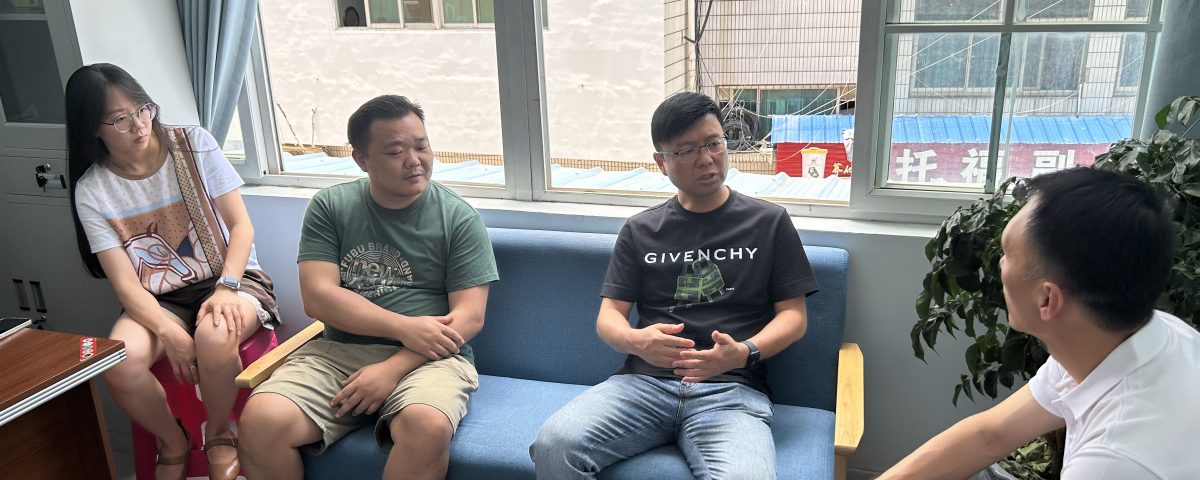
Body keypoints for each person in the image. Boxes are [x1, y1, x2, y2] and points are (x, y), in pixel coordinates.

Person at [530, 91, 819, 479]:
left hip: (730, 392)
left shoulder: (769, 222)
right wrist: (637, 341)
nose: (706, 158)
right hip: (643, 385)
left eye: (714, 143)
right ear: (661, 163)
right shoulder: (641, 229)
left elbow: (794, 317)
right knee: (554, 444)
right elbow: (609, 316)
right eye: (686, 151)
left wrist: (743, 352)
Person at [239, 95, 498, 480]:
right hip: (338, 353)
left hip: (429, 358)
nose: (414, 160)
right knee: (261, 421)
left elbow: (469, 317)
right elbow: (318, 297)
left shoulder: (459, 218)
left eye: (422, 146)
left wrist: (392, 367)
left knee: (426, 425)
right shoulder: (331, 206)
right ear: (361, 159)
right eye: (395, 151)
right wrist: (403, 326)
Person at [881, 168, 1200, 479]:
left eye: (1007, 253)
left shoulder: (1114, 461)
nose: (999, 264)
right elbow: (989, 436)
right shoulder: (1134, 337)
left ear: (1047, 299)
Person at [66, 63, 282, 480]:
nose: (138, 125)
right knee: (117, 362)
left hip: (231, 279)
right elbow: (126, 285)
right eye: (120, 119)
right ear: (92, 128)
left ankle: (218, 434)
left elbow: (241, 227)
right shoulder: (93, 190)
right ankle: (174, 441)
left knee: (214, 334)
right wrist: (167, 332)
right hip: (158, 299)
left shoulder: (192, 145)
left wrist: (227, 287)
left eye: (142, 109)